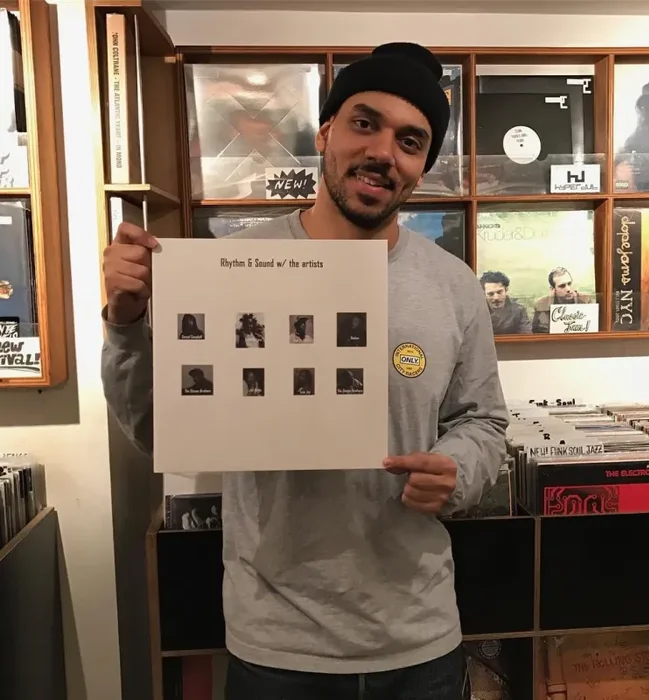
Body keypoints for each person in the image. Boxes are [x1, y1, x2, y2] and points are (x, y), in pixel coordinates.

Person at [101, 42, 509, 700]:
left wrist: (457, 469)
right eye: (364, 123)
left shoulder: (454, 285)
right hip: (277, 644)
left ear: (422, 166)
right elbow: (157, 429)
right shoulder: (233, 267)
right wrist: (125, 323)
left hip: (419, 636)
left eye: (410, 141)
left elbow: (483, 420)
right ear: (324, 133)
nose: (383, 152)